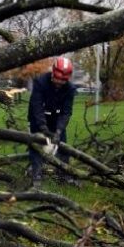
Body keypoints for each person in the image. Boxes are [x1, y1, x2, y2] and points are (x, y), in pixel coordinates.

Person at [26, 56, 77, 188]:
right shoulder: (40, 82)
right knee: (36, 144)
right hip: (38, 117)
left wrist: (59, 130)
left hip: (56, 118)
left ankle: (64, 174)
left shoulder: (70, 89)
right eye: (57, 79)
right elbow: (36, 106)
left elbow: (66, 112)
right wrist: (43, 127)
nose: (58, 83)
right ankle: (36, 174)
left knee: (63, 146)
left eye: (62, 81)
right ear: (53, 72)